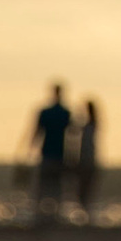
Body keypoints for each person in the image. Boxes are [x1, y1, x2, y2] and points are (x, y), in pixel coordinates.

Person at [23, 82, 73, 215]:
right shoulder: (65, 113)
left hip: (49, 153)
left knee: (43, 184)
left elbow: (37, 132)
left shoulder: (46, 112)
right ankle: (55, 212)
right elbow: (72, 135)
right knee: (56, 185)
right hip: (59, 153)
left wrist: (30, 150)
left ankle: (40, 211)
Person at [74, 99, 103, 218]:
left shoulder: (91, 125)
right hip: (88, 160)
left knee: (84, 189)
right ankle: (86, 212)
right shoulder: (93, 124)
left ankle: (86, 212)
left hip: (87, 160)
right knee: (85, 188)